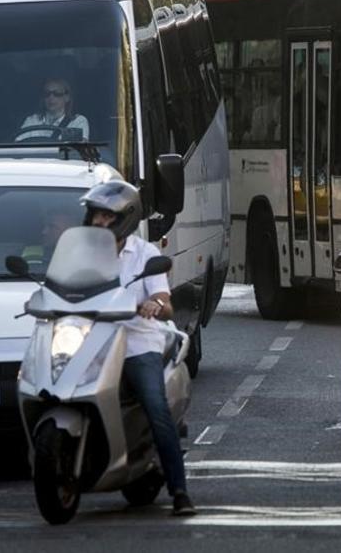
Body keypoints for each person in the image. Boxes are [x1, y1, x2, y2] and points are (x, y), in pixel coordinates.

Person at [81, 180, 195, 516]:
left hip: (135, 340)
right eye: (96, 216)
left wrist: (153, 306)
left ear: (125, 219)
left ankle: (180, 491)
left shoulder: (145, 253)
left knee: (155, 406)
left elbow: (165, 301)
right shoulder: (82, 252)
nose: (99, 222)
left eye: (107, 216)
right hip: (89, 339)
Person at [17, 77, 90, 142]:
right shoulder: (32, 120)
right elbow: (18, 147)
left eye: (57, 93)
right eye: (47, 93)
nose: (51, 97)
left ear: (67, 97)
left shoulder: (77, 121)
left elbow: (76, 152)